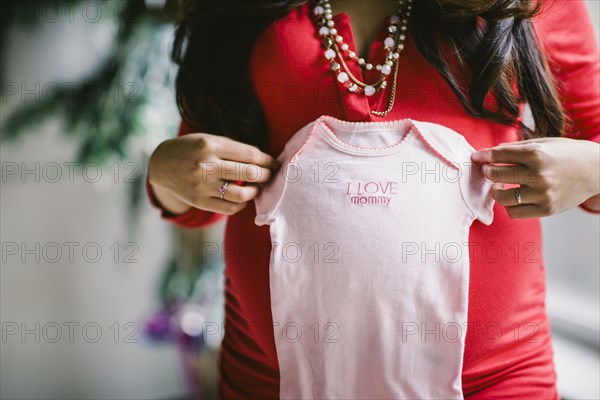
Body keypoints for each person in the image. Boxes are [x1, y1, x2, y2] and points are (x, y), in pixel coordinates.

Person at [146, 0, 600, 398]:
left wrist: (592, 168)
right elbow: (199, 193)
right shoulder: (233, 10)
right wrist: (167, 171)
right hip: (272, 382)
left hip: (497, 381)